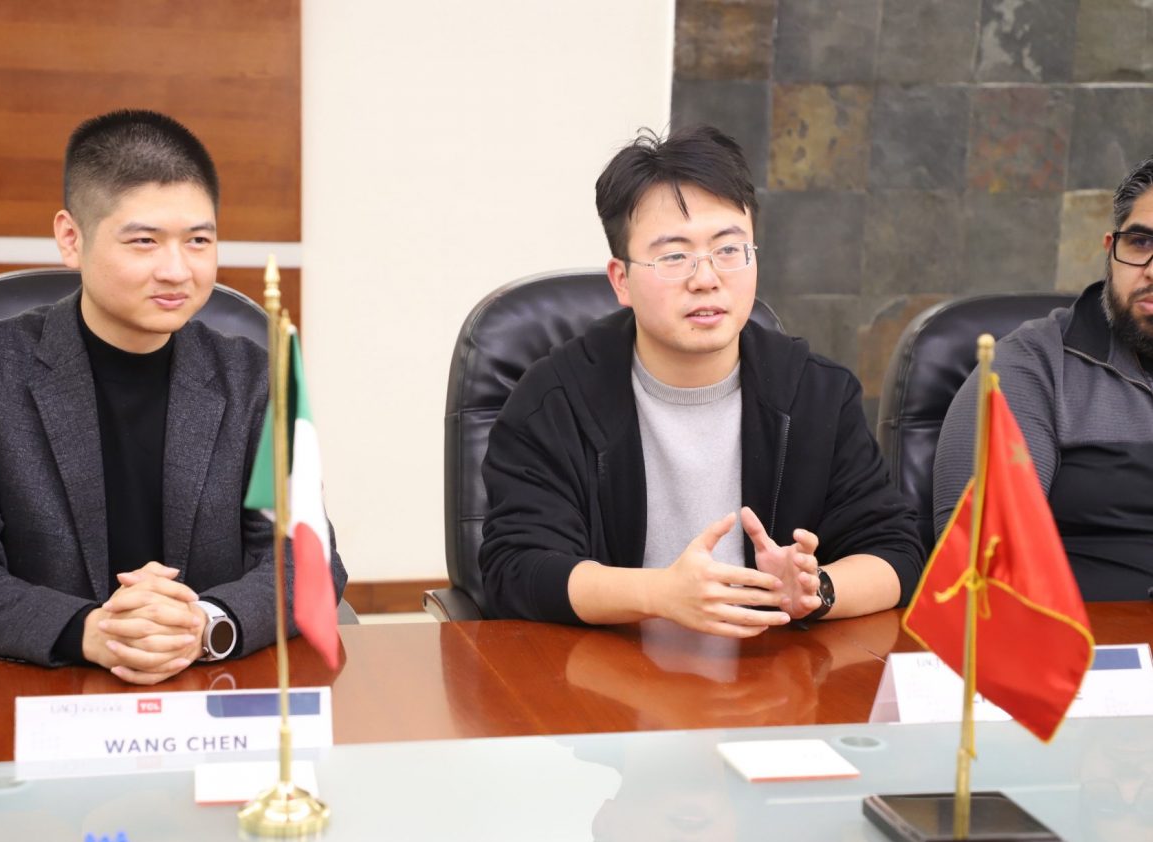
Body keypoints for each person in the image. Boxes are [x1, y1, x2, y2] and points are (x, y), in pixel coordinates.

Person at [0, 109, 347, 683]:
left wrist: (207, 623)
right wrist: (92, 631)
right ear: (71, 238)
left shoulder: (255, 375)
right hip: (40, 689)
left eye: (198, 241)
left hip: (207, 685)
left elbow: (307, 562)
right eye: (144, 241)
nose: (177, 270)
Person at [479, 126, 923, 635]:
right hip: (605, 671)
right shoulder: (555, 400)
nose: (706, 278)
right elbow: (515, 568)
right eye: (674, 256)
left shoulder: (816, 394)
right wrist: (659, 595)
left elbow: (897, 552)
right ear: (621, 280)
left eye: (729, 250)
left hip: (770, 672)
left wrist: (815, 590)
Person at [933, 154, 1153, 600]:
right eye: (1140, 243)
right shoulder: (1030, 366)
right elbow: (982, 567)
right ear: (1110, 249)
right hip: (1084, 634)